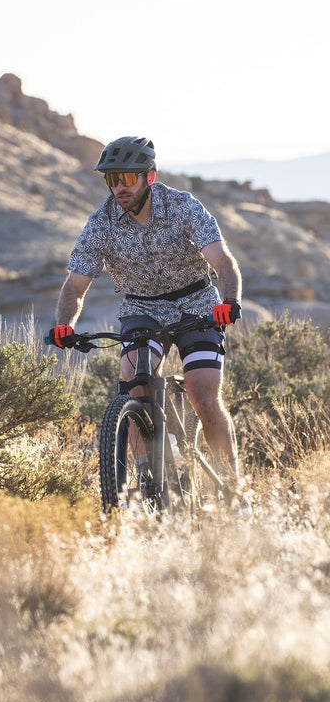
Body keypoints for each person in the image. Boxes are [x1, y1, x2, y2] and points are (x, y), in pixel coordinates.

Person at [48, 136, 245, 493]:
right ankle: (146, 482)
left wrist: (228, 301)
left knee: (202, 395)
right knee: (134, 381)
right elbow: (74, 287)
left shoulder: (182, 206)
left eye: (127, 178)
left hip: (196, 303)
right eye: (112, 179)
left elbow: (223, 262)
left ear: (148, 177)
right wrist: (64, 325)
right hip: (141, 308)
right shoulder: (101, 223)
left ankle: (233, 486)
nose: (119, 187)